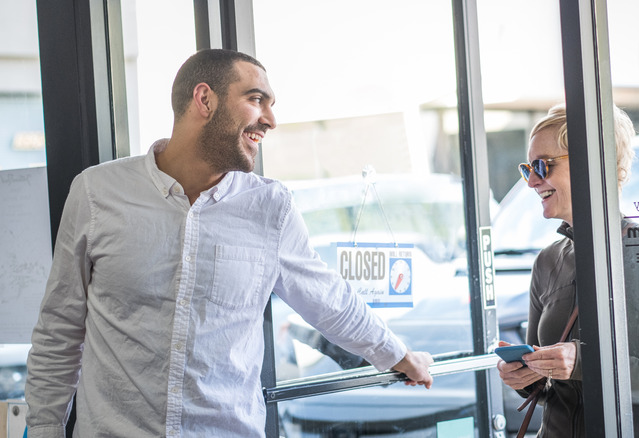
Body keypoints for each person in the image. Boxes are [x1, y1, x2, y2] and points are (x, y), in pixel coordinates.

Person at [24, 48, 434, 437]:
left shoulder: (271, 207)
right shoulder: (97, 192)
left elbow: (328, 298)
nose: (270, 120)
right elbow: (60, 328)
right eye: (257, 99)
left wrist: (396, 355)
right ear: (204, 99)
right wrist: (45, 429)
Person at [497, 104, 639, 437]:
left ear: (591, 165)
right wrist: (524, 378)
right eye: (528, 169)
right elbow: (550, 387)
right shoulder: (546, 261)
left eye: (543, 166)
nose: (532, 182)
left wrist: (585, 363)